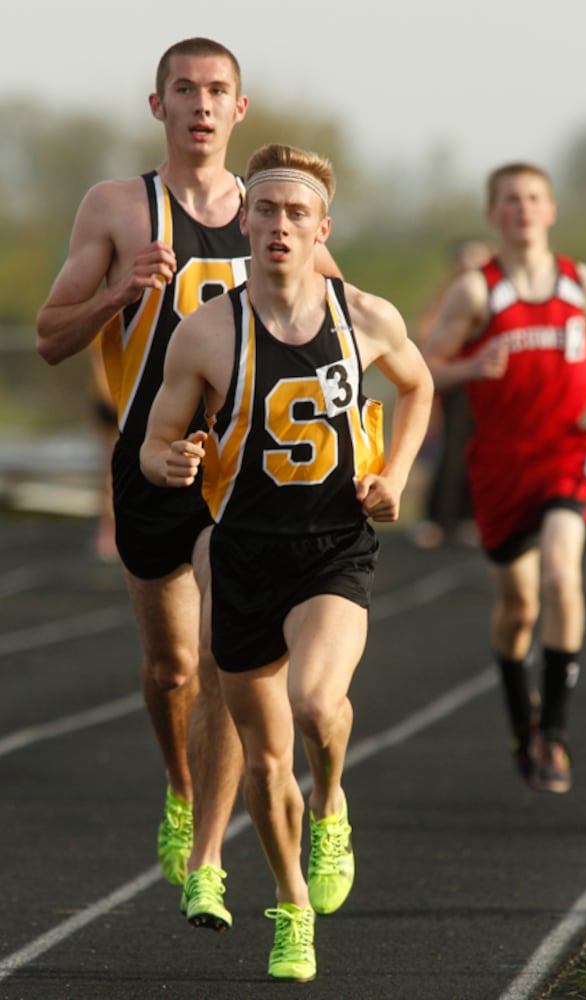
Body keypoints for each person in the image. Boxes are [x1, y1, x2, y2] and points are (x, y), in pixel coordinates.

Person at [35, 38, 341, 891]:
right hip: (148, 462)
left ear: (240, 110)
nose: (201, 105)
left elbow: (339, 332)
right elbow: (49, 339)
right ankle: (179, 787)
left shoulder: (278, 213)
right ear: (157, 105)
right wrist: (118, 295)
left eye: (217, 92)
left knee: (218, 659)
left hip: (238, 478)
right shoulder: (117, 208)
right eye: (184, 90)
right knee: (171, 668)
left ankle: (209, 856)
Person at [140, 143, 433, 981]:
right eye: (264, 210)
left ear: (321, 228)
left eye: (296, 213)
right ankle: (291, 904)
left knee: (315, 704)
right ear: (244, 220)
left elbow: (419, 388)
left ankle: (333, 801)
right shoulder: (205, 331)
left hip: (333, 548)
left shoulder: (365, 317)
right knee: (266, 761)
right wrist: (174, 463)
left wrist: (396, 474)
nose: (278, 225)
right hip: (241, 557)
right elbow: (159, 445)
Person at [422, 162, 586, 794]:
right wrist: (471, 366)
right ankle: (524, 722)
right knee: (518, 608)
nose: (523, 209)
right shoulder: (476, 292)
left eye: (534, 197)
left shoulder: (580, 281)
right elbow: (423, 363)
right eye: (510, 200)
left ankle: (557, 736)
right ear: (493, 215)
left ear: (552, 209)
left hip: (566, 449)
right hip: (500, 463)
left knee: (564, 575)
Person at [412, 240, 493, 549]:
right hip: (455, 389)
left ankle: (474, 517)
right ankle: (437, 517)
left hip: (488, 391)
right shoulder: (449, 300)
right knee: (449, 451)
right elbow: (426, 339)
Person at [87, 334, 119, 562]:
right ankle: (108, 528)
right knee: (109, 468)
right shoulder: (111, 316)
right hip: (113, 402)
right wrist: (109, 397)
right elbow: (97, 359)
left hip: (126, 397)